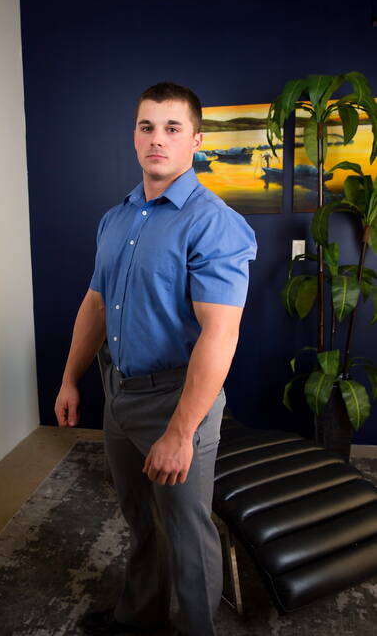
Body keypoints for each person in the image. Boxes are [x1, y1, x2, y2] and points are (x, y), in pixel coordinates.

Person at [54, 82, 257, 636]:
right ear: (134, 136)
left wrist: (181, 432)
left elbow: (221, 335)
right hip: (117, 391)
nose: (157, 139)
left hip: (176, 400)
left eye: (172, 128)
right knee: (140, 521)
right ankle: (140, 615)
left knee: (188, 533)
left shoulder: (212, 222)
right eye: (147, 127)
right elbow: (95, 304)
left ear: (196, 139)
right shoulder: (116, 218)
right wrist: (71, 379)